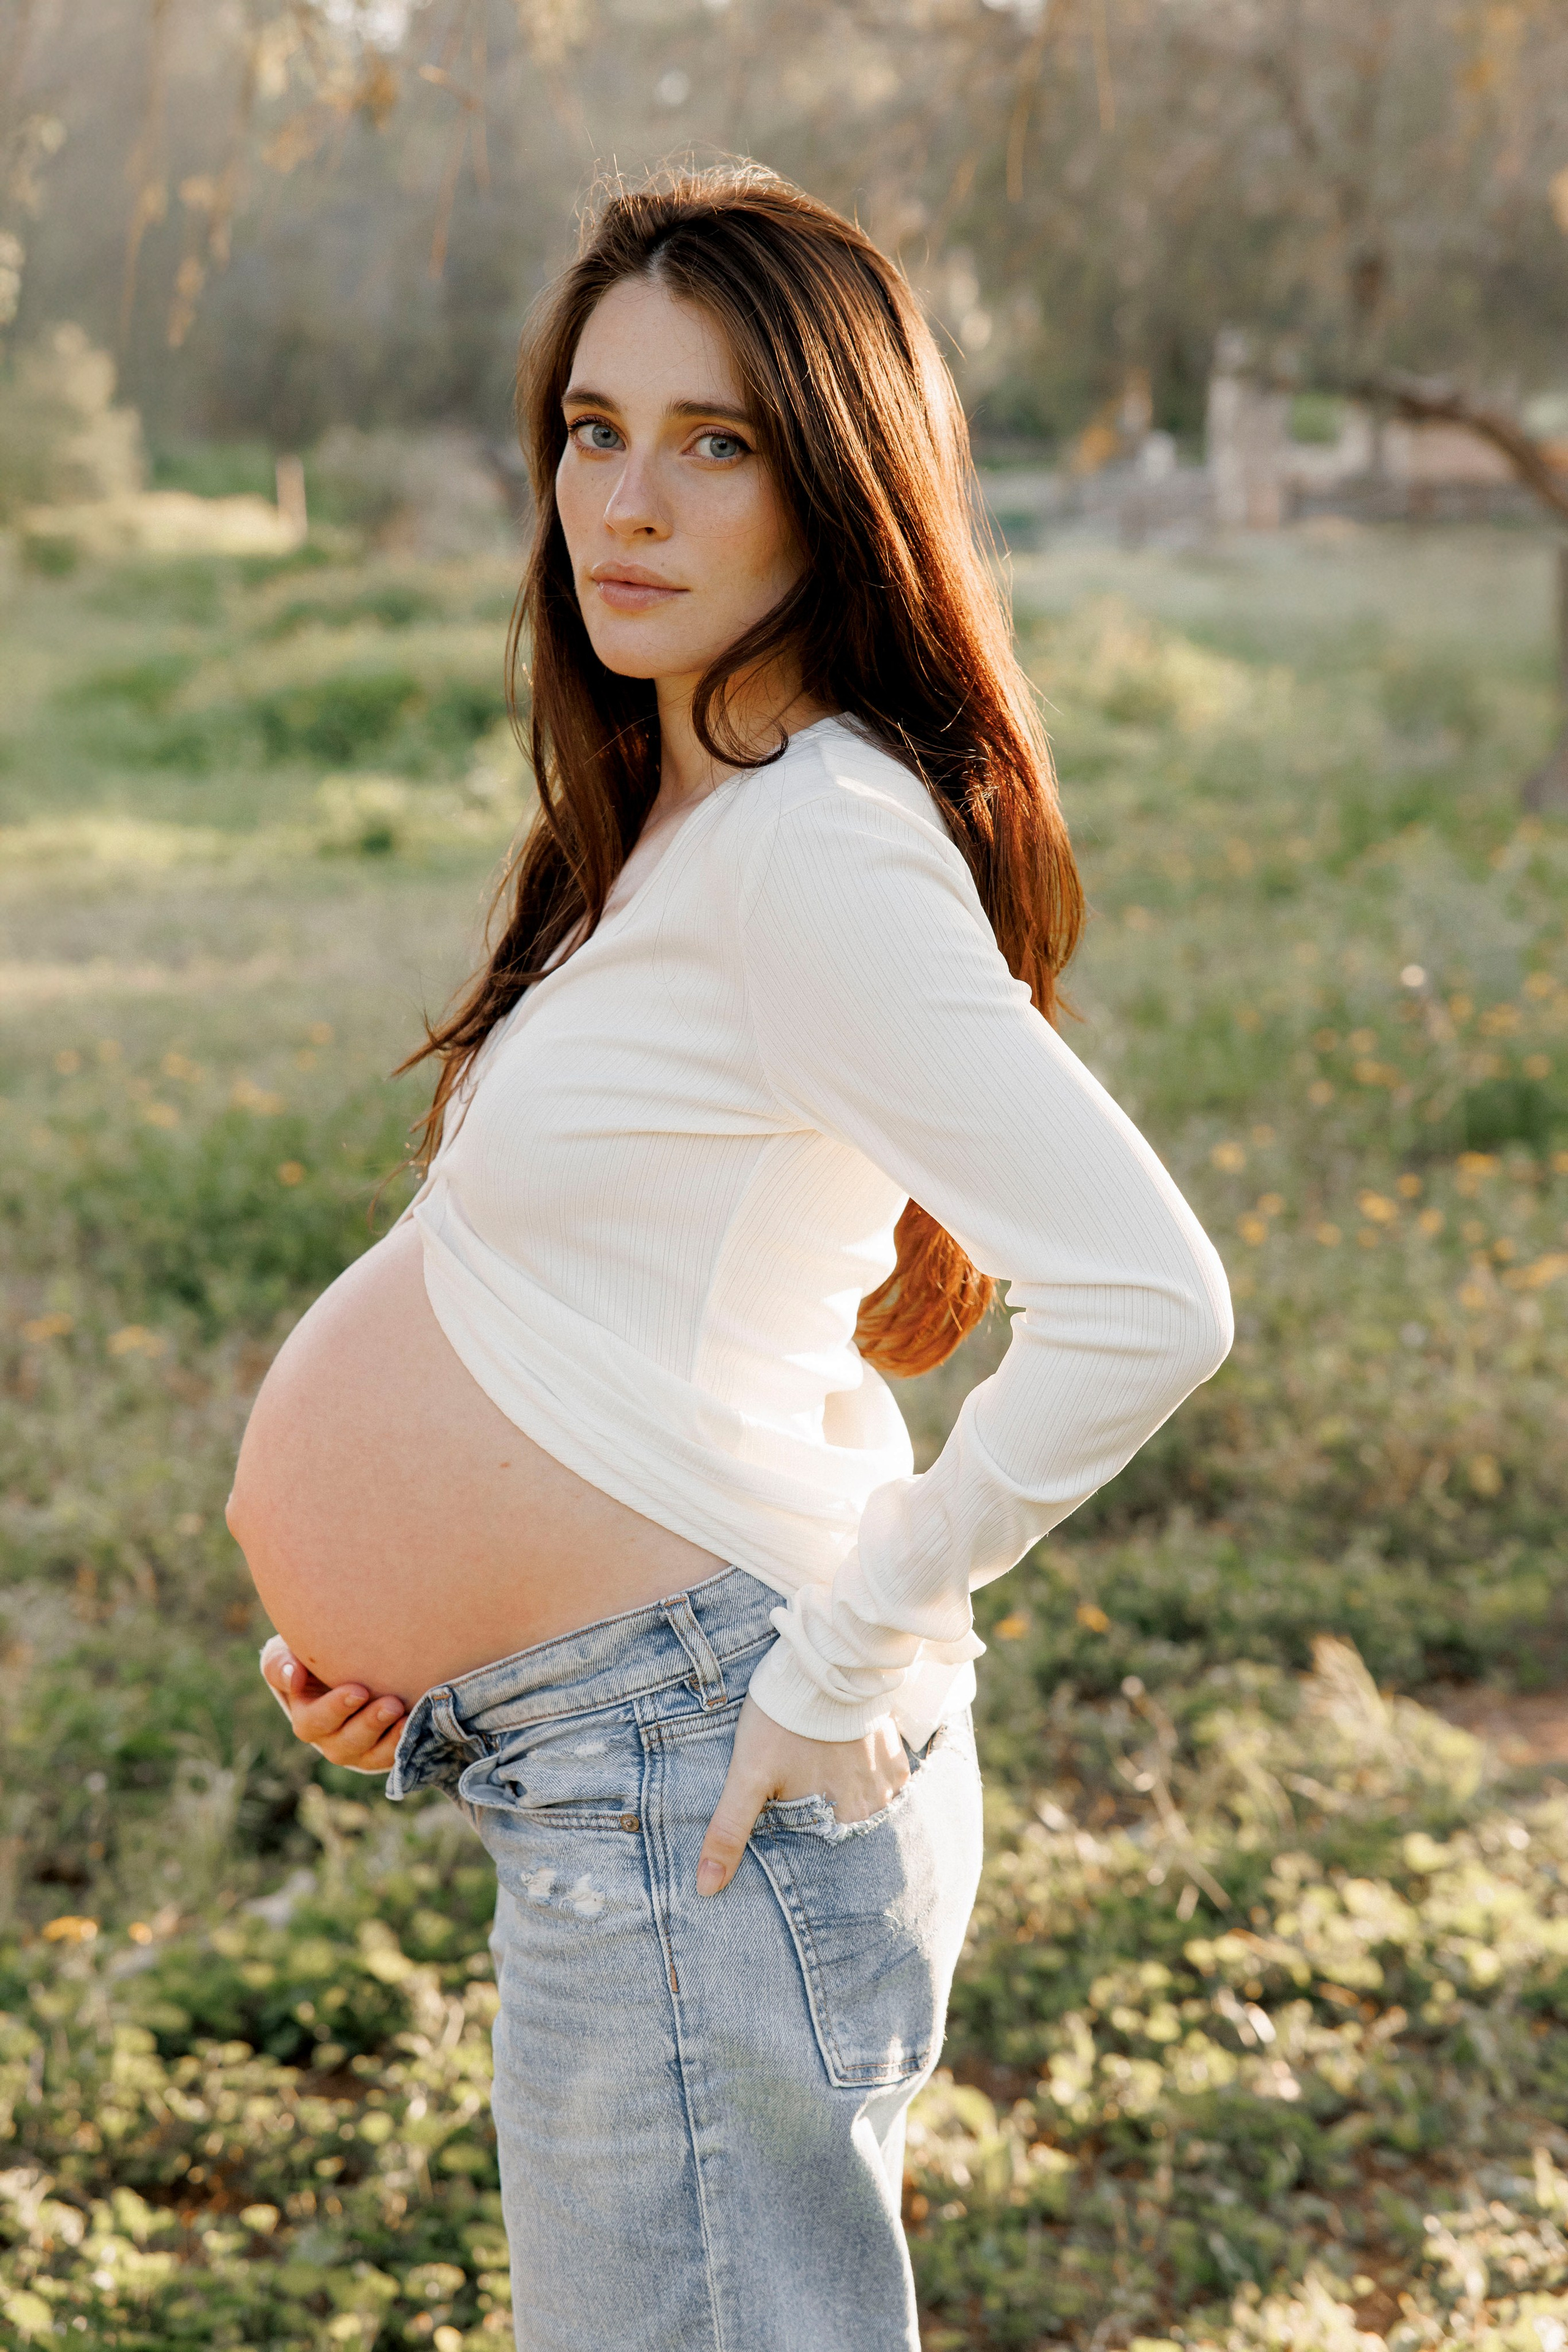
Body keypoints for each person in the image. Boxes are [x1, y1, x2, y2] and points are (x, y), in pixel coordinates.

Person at [226, 162, 1232, 2352]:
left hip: (714, 1761)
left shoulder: (817, 843)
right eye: (596, 428)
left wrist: (849, 1638)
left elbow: (1158, 1300)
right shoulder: (688, 805)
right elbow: (630, 1290)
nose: (631, 501)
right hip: (619, 1740)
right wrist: (422, 1643)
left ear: (840, 482)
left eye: (718, 441)